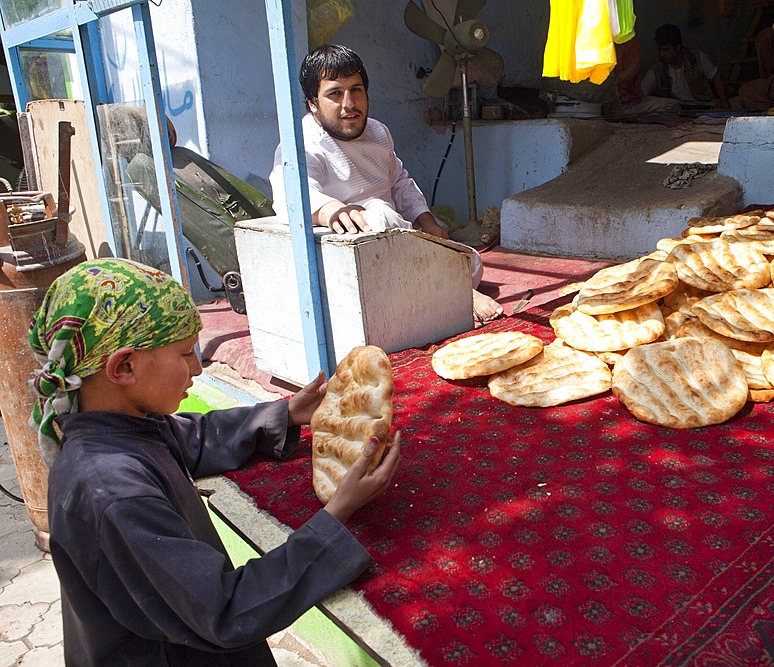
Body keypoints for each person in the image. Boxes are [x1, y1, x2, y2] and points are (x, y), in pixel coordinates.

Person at [28, 257, 401, 666]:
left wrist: (287, 413)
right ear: (125, 366)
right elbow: (223, 611)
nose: (198, 367)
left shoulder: (126, 428)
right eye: (185, 353)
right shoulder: (113, 493)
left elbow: (194, 436)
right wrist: (338, 513)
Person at [269, 44, 504, 324]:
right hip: (347, 257)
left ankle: (433, 292)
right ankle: (455, 293)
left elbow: (400, 183)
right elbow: (289, 197)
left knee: (471, 261)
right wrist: (332, 209)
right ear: (313, 103)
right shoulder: (301, 144)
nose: (349, 104)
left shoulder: (378, 132)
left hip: (400, 249)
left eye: (356, 90)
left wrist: (426, 221)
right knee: (378, 212)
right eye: (334, 93)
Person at [641, 24, 732, 110]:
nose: (662, 54)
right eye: (660, 50)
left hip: (703, 106)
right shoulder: (658, 70)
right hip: (678, 110)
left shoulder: (697, 58)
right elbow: (642, 91)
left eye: (666, 50)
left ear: (677, 47)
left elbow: (715, 75)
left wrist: (723, 98)